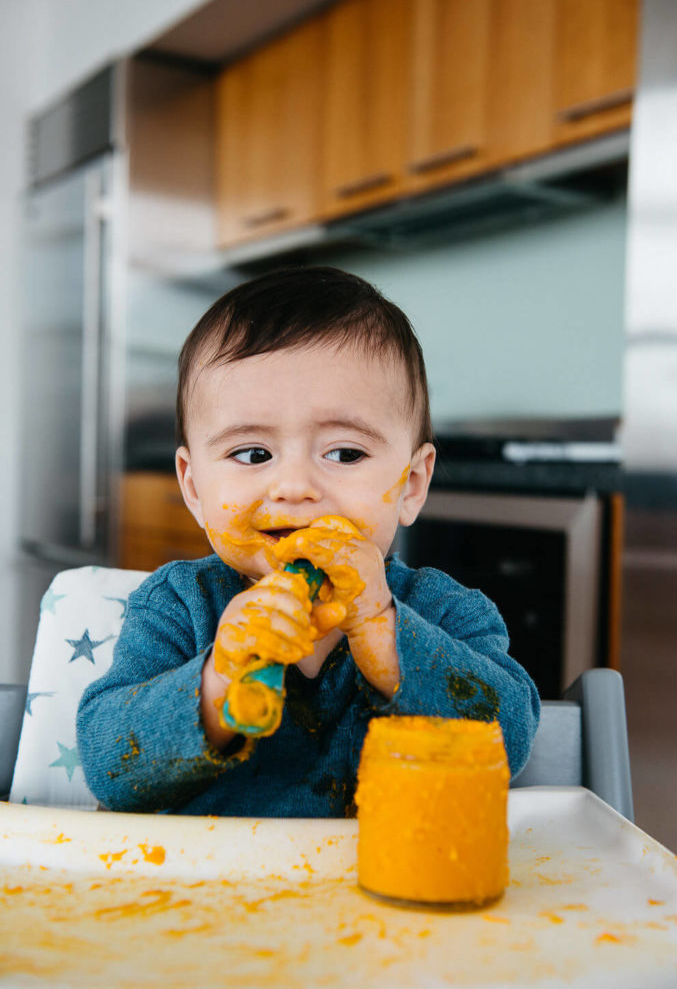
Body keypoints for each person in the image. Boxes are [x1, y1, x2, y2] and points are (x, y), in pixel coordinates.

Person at [77, 266, 540, 815]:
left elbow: (507, 743)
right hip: (210, 892)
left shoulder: (446, 612)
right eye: (252, 454)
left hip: (387, 890)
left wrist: (382, 631)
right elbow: (109, 768)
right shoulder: (176, 606)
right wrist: (218, 680)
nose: (295, 488)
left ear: (412, 485)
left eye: (344, 454)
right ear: (195, 487)